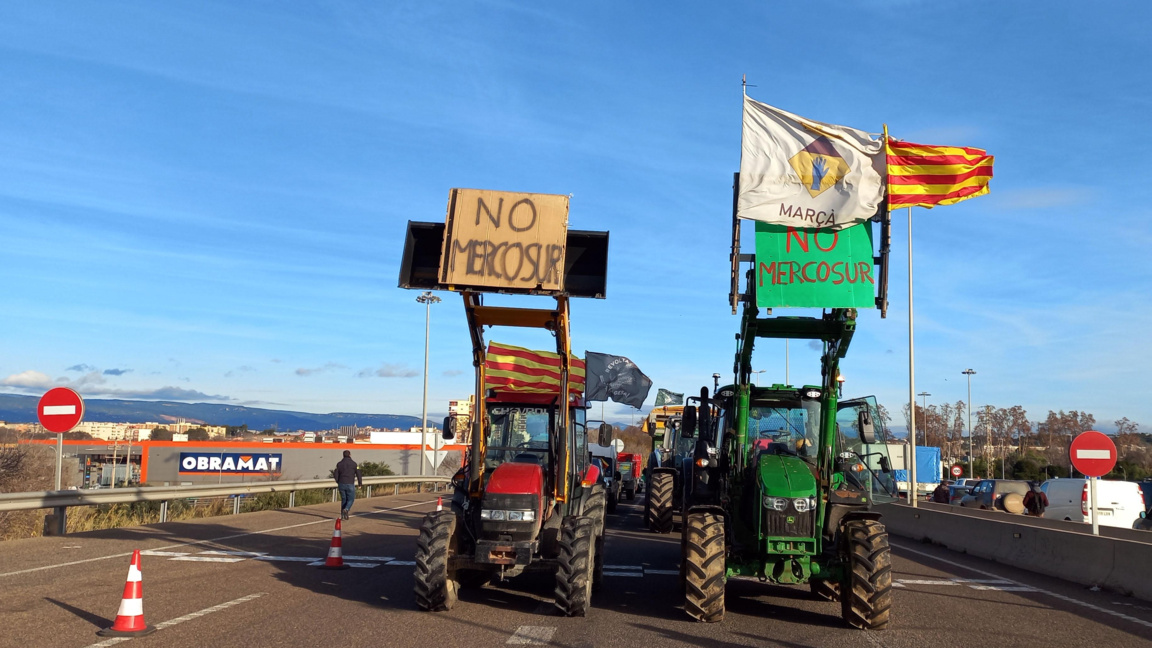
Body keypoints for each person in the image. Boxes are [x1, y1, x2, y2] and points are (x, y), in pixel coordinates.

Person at [334, 450, 363, 520]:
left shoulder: (339, 464)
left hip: (341, 483)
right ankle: (346, 509)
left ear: (343, 455)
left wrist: (338, 481)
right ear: (350, 455)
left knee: (344, 499)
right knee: (351, 499)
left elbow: (335, 473)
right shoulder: (354, 464)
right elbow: (358, 474)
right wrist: (360, 483)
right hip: (350, 483)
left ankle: (343, 515)